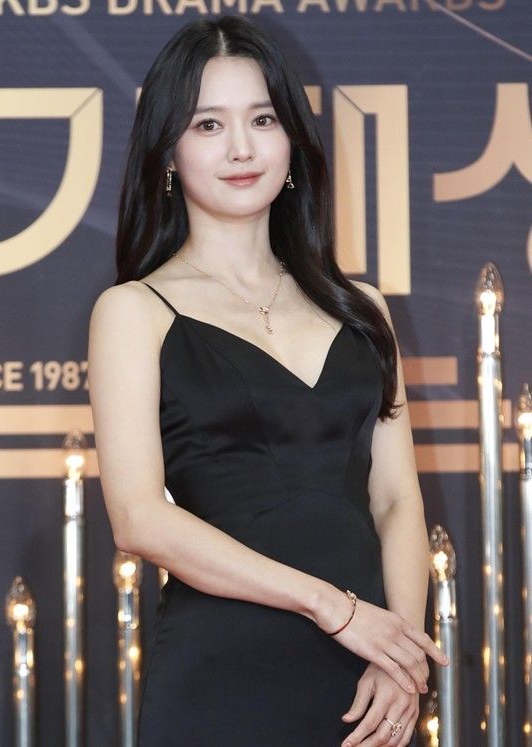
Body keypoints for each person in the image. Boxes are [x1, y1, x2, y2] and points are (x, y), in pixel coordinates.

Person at [88, 15, 448, 747]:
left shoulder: (363, 309)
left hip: (365, 677)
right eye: (208, 125)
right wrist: (334, 607)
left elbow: (396, 498)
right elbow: (138, 519)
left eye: (262, 119)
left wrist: (399, 654)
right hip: (221, 679)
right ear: (168, 153)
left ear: (292, 143)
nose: (242, 148)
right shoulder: (134, 311)